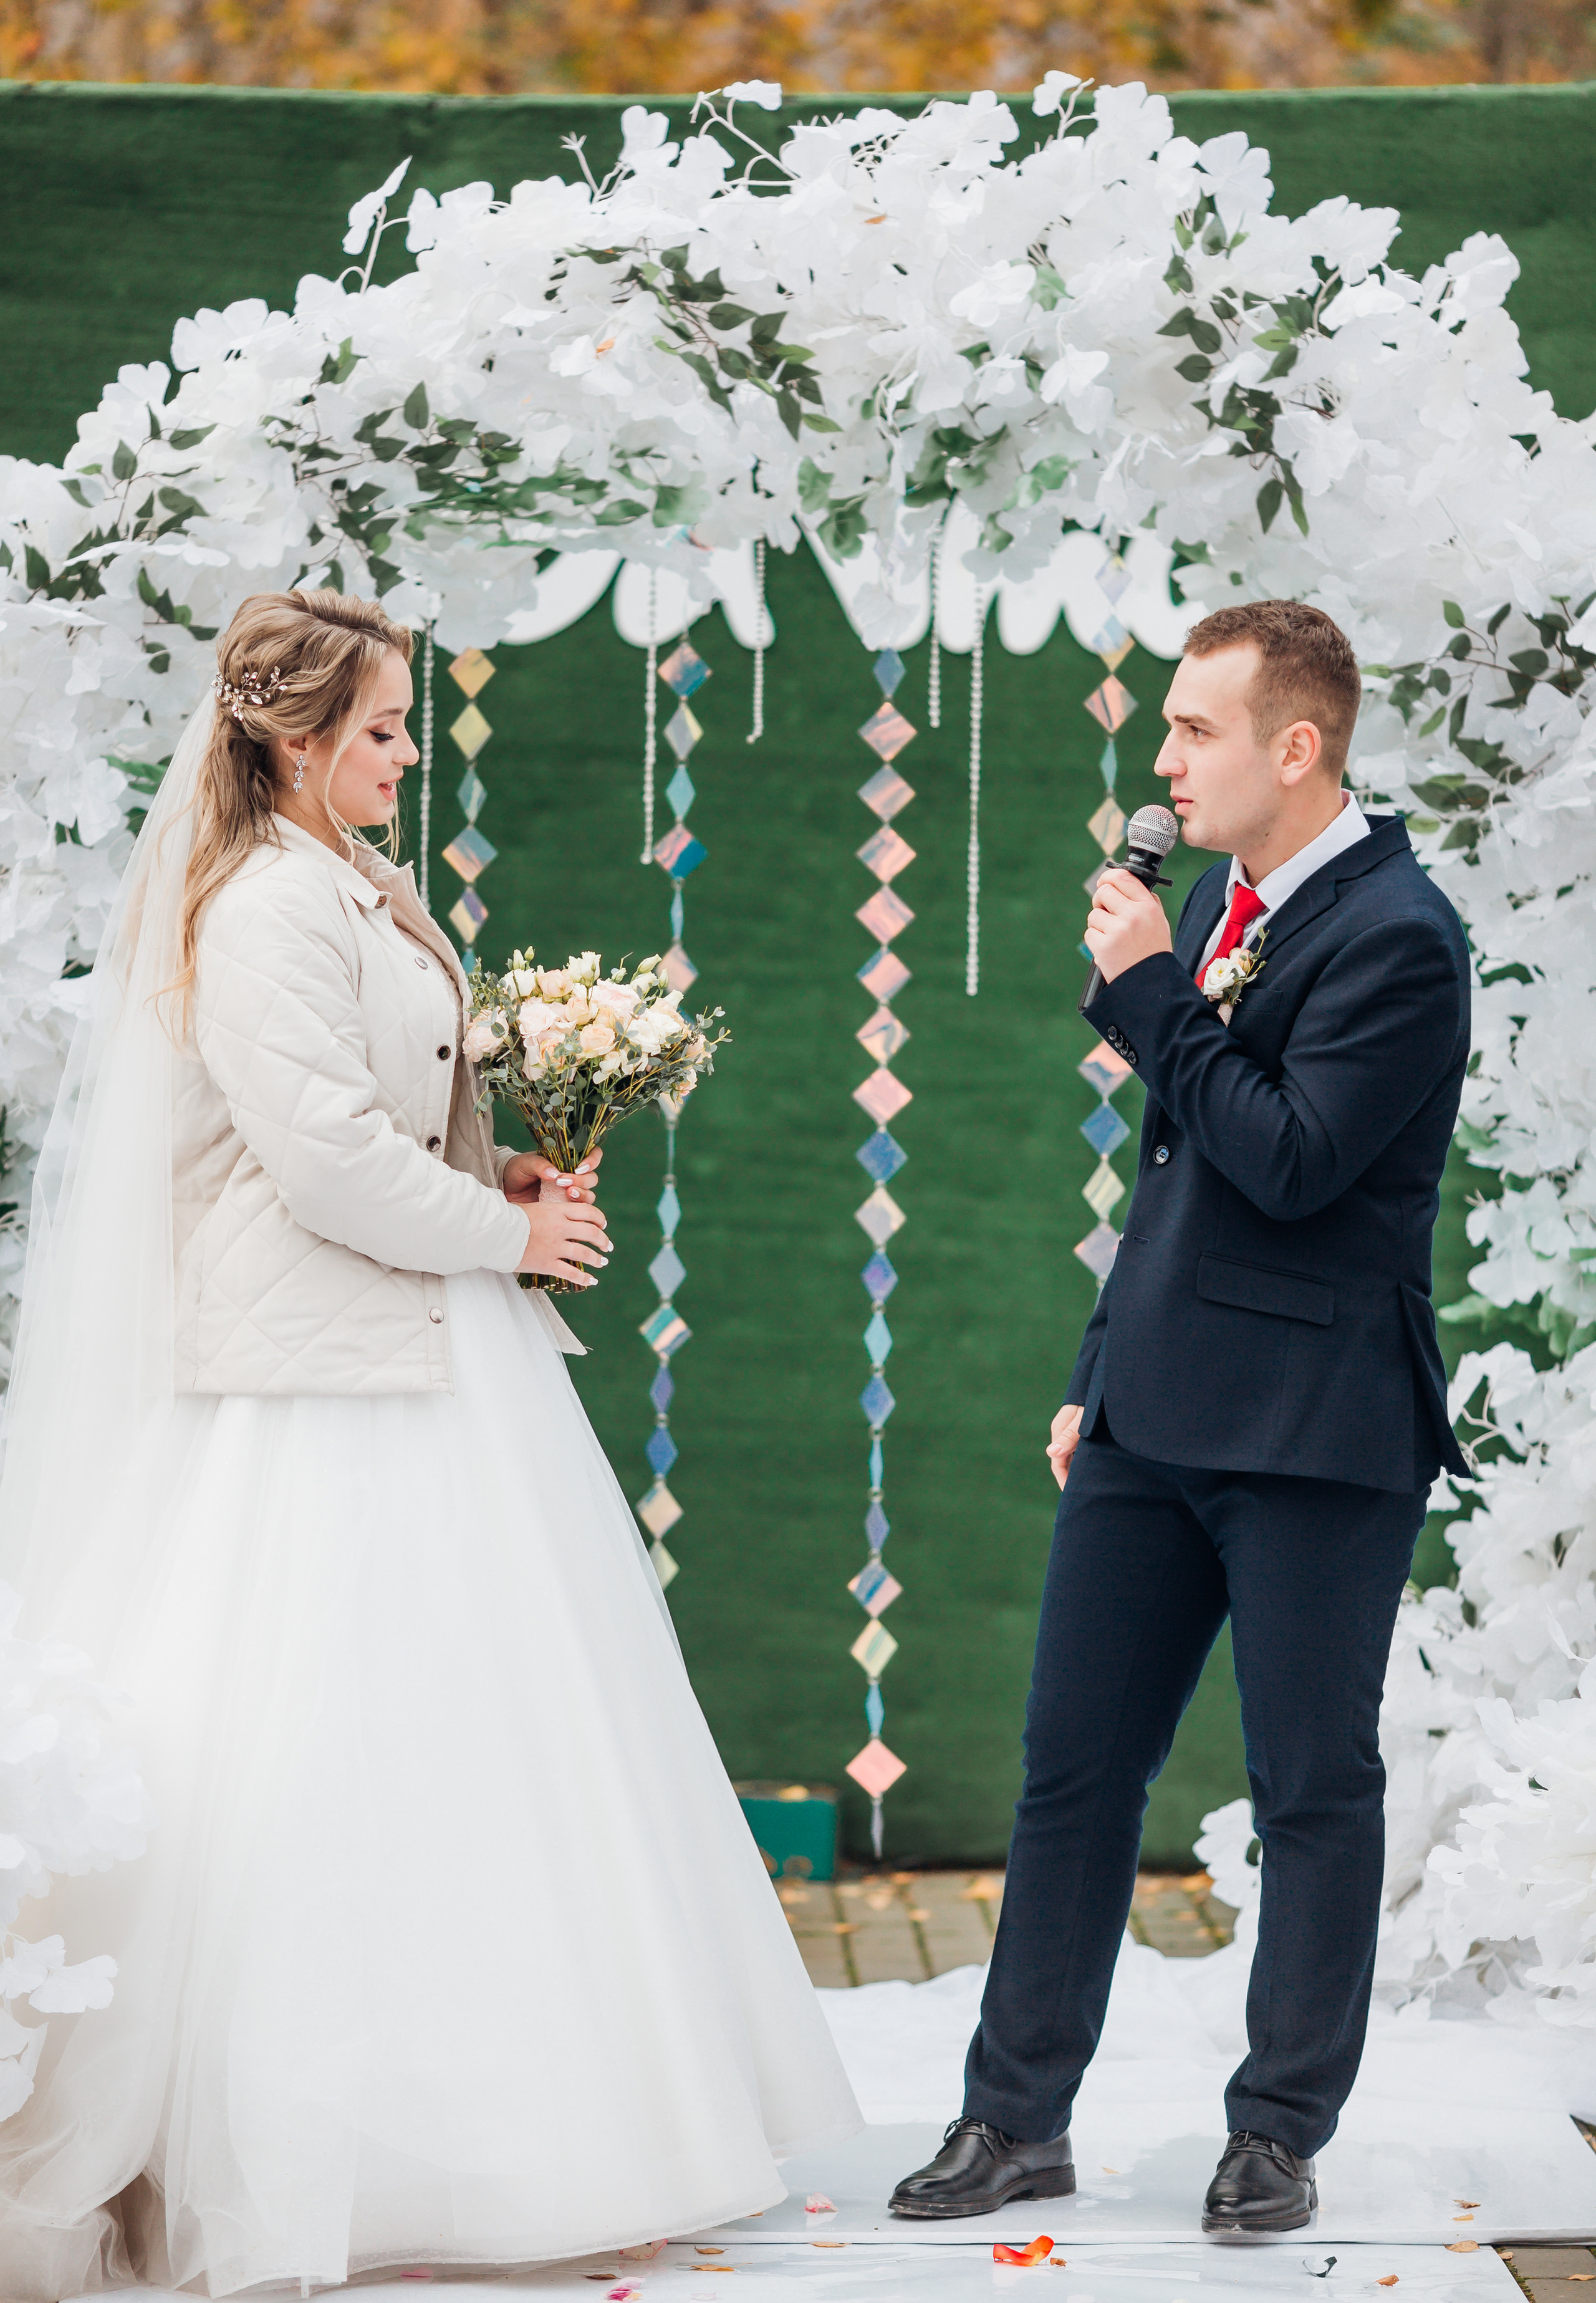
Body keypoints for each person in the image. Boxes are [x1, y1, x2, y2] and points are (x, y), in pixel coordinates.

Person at [0, 589, 858, 2297]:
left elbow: (384, 1117)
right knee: (327, 1754)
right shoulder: (262, 906)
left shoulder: (348, 881)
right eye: (383, 729)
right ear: (296, 740)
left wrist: (496, 1175)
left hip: (412, 1348)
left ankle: (524, 2128)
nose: (407, 755)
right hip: (316, 1381)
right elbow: (319, 1160)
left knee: (478, 1747)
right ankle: (332, 2158)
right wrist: (507, 1235)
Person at [889, 599, 1470, 2235]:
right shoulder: (1219, 900)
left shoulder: (1403, 938)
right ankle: (1015, 2118)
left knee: (1311, 1790)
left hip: (1318, 1430)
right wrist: (1100, 1369)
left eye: (1195, 730)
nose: (1165, 762)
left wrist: (1151, 991)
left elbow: (1289, 1161)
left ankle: (1277, 2132)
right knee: (1072, 1771)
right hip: (1153, 1417)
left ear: (1298, 747)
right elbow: (1180, 1176)